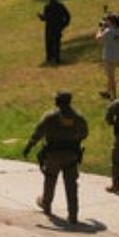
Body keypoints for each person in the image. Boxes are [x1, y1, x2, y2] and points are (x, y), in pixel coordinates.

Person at [23, 92, 89, 225]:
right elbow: (85, 133)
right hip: (71, 154)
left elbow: (38, 132)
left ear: (57, 102)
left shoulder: (50, 116)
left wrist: (29, 146)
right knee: (71, 185)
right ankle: (73, 214)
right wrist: (73, 140)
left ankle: (46, 206)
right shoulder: (78, 117)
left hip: (53, 154)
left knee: (50, 180)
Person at [37, 0, 71, 65]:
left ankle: (50, 57)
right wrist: (64, 24)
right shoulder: (60, 6)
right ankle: (56, 58)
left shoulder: (48, 7)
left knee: (50, 42)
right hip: (57, 27)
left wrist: (41, 17)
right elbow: (68, 16)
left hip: (50, 28)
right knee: (56, 42)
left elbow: (46, 18)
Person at [95, 13, 119, 100]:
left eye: (106, 20)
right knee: (110, 75)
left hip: (109, 56)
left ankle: (113, 96)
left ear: (110, 21)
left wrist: (99, 29)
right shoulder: (117, 29)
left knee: (111, 77)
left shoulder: (108, 31)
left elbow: (98, 39)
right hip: (116, 55)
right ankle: (107, 91)